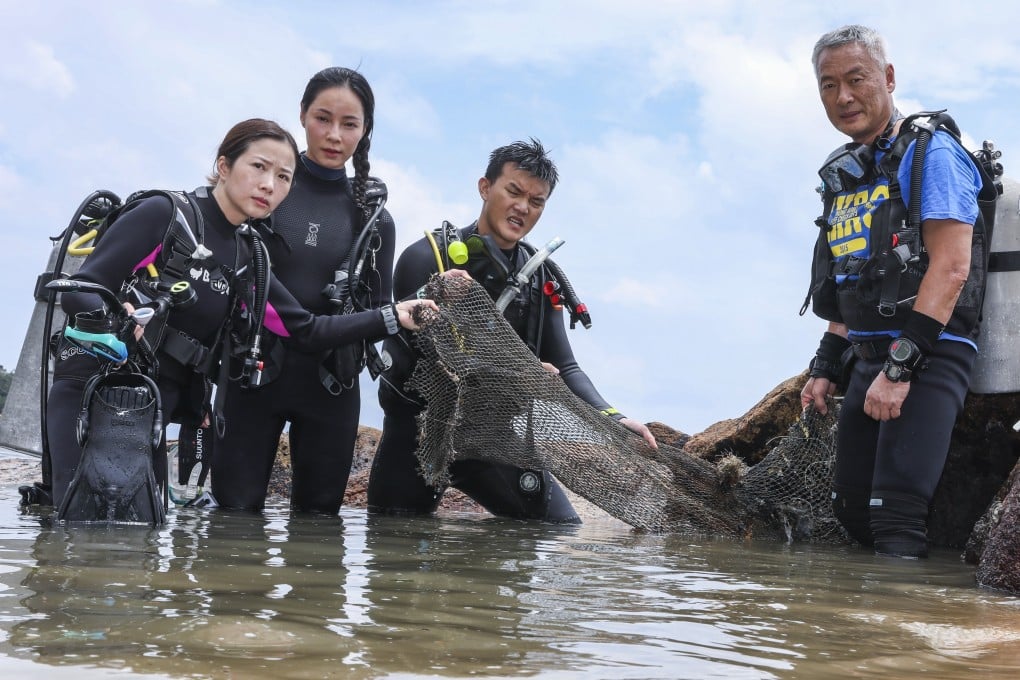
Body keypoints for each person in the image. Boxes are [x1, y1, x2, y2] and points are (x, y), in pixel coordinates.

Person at [46, 118, 434, 516]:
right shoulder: (166, 215)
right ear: (224, 166)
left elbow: (305, 329)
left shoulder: (249, 257)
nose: (270, 184)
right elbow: (82, 290)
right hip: (96, 394)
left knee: (140, 542)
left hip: (149, 411)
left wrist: (393, 316)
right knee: (83, 538)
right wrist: (117, 321)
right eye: (259, 167)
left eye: (284, 177)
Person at [368, 139, 657, 522]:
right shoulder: (425, 257)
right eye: (514, 191)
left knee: (559, 529)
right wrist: (525, 376)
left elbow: (565, 365)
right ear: (485, 188)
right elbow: (423, 352)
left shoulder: (539, 280)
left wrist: (614, 418)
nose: (523, 207)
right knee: (392, 552)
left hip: (493, 442)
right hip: (417, 435)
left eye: (537, 201)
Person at [800, 25, 989, 558]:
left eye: (856, 79)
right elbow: (852, 280)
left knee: (896, 517)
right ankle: (871, 628)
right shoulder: (848, 174)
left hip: (930, 353)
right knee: (851, 509)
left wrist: (900, 370)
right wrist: (825, 365)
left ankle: (903, 639)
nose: (844, 96)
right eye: (829, 85)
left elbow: (952, 269)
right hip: (865, 357)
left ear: (887, 77)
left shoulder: (934, 155)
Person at [212, 67, 395, 514]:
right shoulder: (266, 192)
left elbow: (382, 310)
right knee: (233, 521)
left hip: (331, 384)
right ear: (302, 115)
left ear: (365, 130)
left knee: (320, 534)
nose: (334, 135)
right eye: (322, 118)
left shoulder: (375, 219)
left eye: (349, 124)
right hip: (250, 375)